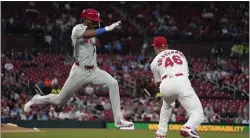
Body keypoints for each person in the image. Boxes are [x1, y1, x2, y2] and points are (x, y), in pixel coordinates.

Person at [24, 8, 133, 129]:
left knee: (113, 83)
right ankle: (36, 99)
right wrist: (107, 28)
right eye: (93, 20)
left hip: (94, 70)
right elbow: (87, 34)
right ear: (85, 19)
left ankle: (118, 120)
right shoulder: (77, 29)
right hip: (79, 71)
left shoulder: (92, 31)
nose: (96, 23)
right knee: (59, 101)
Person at [150, 36, 204, 138]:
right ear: (166, 46)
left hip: (165, 84)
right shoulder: (179, 53)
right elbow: (184, 72)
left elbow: (158, 84)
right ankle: (188, 127)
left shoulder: (153, 63)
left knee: (167, 105)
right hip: (181, 81)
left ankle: (160, 133)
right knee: (197, 112)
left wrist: (153, 87)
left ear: (155, 48)